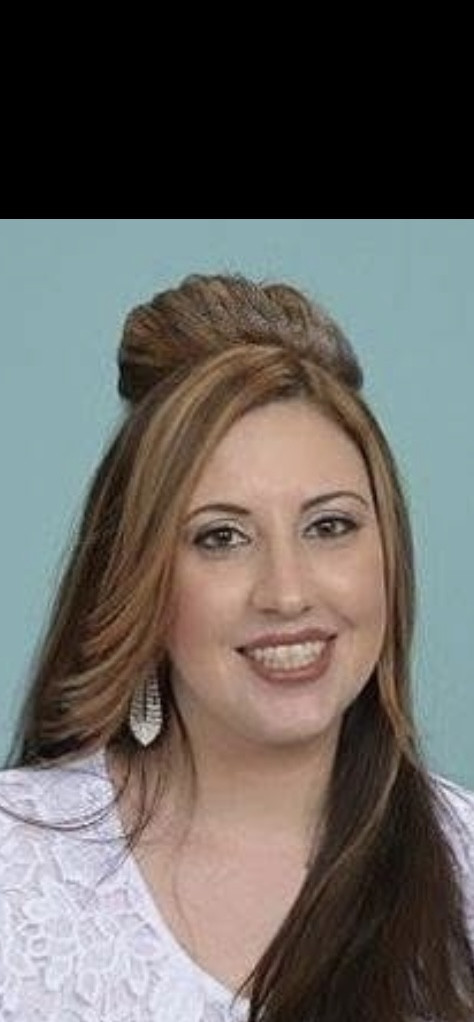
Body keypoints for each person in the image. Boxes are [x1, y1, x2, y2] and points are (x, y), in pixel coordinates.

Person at [0, 273, 473, 1022]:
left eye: (329, 526)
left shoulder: (464, 869)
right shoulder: (16, 864)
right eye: (221, 537)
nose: (286, 593)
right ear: (141, 578)